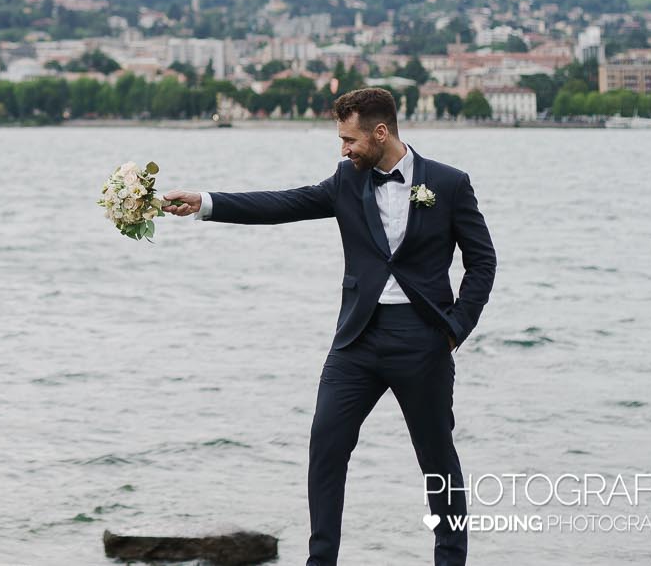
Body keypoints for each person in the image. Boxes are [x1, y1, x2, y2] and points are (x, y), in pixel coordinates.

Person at [161, 87, 496, 566]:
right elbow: (283, 204)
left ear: (381, 133)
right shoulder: (346, 181)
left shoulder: (450, 183)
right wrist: (204, 202)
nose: (343, 149)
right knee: (325, 448)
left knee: (437, 460)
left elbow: (482, 262)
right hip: (357, 341)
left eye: (349, 139)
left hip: (423, 340)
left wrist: (455, 327)